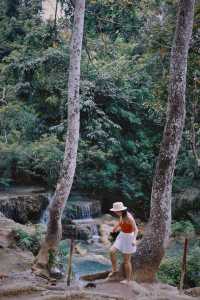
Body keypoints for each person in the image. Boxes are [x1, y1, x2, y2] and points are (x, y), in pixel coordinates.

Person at [108, 201, 138, 284]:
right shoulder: (121, 215)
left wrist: (134, 239)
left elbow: (136, 229)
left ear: (121, 210)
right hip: (121, 236)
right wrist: (116, 228)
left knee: (126, 261)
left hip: (129, 238)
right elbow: (120, 222)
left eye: (116, 211)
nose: (115, 212)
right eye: (115, 211)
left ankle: (128, 280)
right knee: (112, 251)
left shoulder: (129, 218)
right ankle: (114, 270)